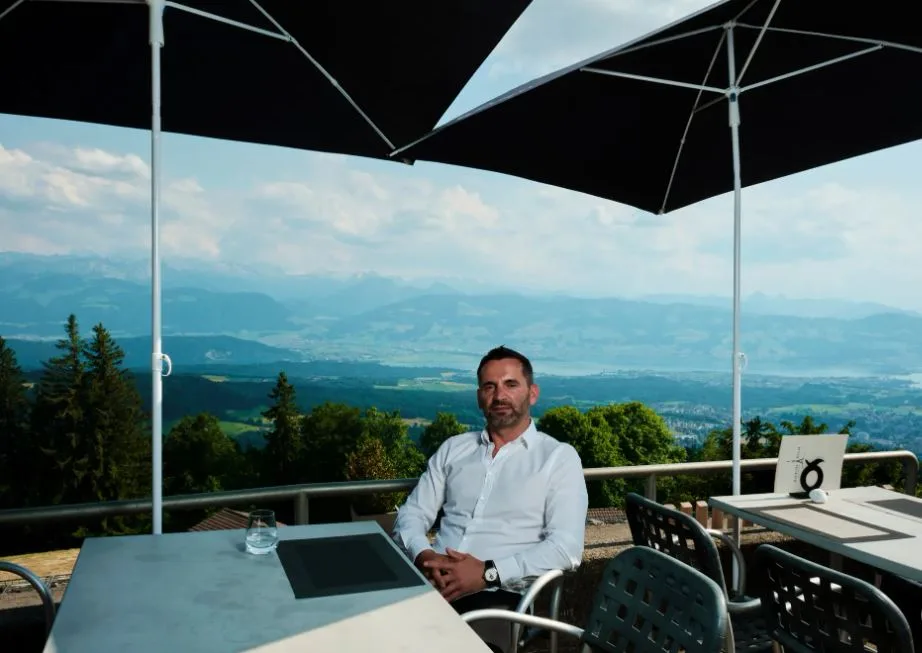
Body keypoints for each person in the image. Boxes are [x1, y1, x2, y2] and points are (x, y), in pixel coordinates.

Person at [392, 346, 588, 653]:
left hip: (501, 598)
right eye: (489, 386)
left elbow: (566, 548)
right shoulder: (453, 449)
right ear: (479, 396)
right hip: (430, 580)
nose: (499, 395)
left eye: (511, 384)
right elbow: (411, 515)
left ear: (532, 393)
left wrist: (487, 572)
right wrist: (426, 557)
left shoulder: (557, 458)